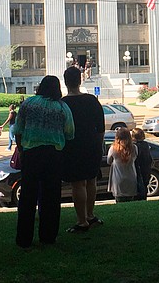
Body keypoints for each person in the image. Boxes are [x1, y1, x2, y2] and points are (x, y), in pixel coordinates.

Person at [14, 75, 75, 248]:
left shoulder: (28, 104)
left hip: (31, 153)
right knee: (51, 197)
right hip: (54, 155)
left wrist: (21, 149)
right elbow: (70, 132)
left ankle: (23, 238)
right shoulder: (62, 107)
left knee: (27, 197)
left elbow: (18, 129)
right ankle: (48, 236)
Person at [61, 66, 105, 233]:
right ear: (80, 80)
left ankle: (82, 221)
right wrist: (98, 147)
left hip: (73, 147)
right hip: (92, 145)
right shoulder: (92, 100)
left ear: (65, 82)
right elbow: (100, 127)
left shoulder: (63, 104)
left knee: (78, 184)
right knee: (91, 181)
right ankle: (90, 215)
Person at [107, 127, 138, 202]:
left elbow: (108, 161)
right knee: (130, 203)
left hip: (118, 180)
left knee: (119, 202)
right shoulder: (134, 148)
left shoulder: (113, 149)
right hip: (131, 178)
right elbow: (135, 158)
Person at [132, 128, 152, 200]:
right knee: (144, 186)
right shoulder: (146, 145)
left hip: (138, 169)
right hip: (146, 169)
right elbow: (149, 159)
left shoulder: (135, 146)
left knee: (139, 189)